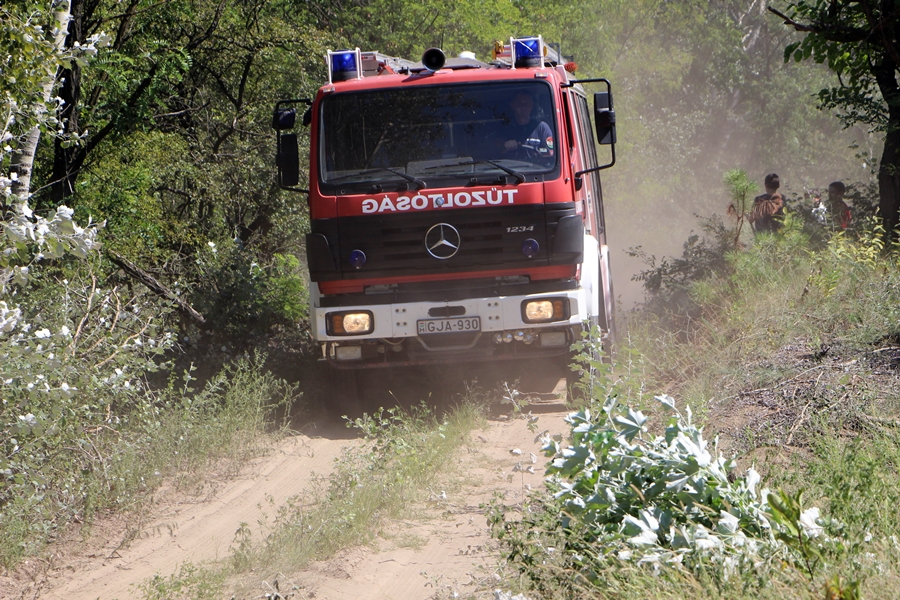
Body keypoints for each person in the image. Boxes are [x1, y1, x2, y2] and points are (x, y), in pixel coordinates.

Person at [498, 91, 555, 161]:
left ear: (532, 106)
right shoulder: (505, 127)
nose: (523, 108)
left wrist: (538, 154)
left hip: (538, 169)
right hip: (509, 168)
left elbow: (550, 153)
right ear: (512, 106)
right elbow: (496, 149)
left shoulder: (542, 128)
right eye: (519, 104)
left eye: (527, 104)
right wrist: (505, 146)